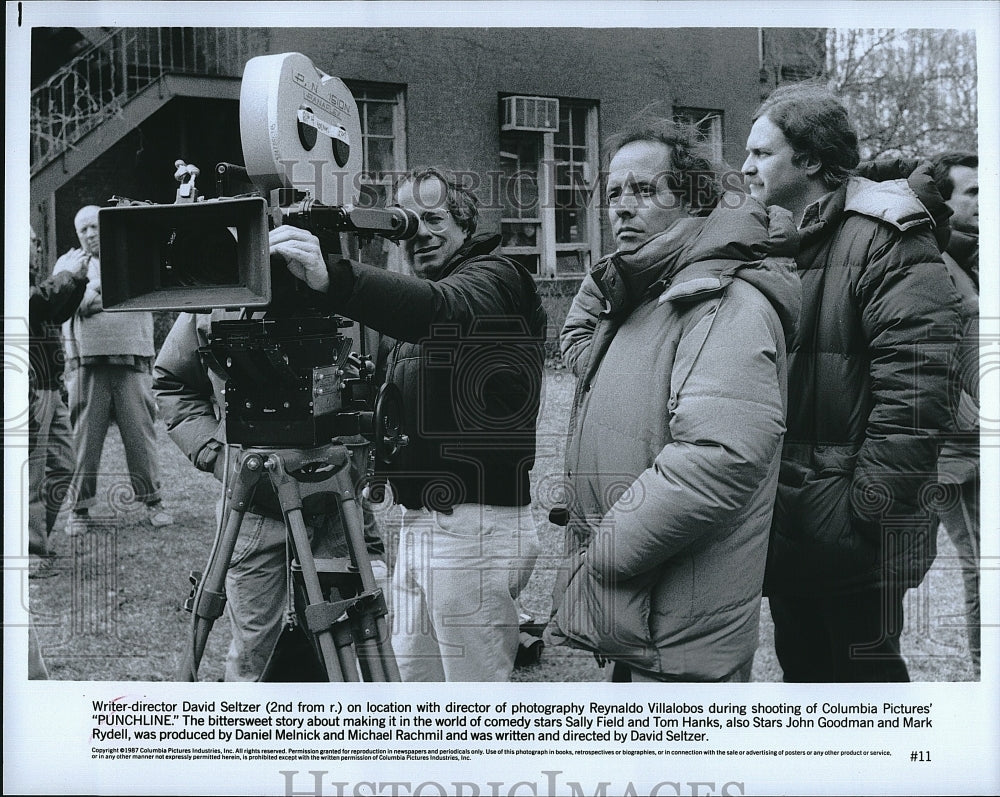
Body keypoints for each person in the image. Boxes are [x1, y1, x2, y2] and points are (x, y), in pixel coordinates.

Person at [546, 117, 801, 682]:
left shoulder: (723, 301)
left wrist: (606, 553)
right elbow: (595, 368)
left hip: (681, 626)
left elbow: (720, 456)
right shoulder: (649, 296)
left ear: (693, 201)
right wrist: (607, 284)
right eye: (613, 192)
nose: (622, 207)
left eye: (644, 189)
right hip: (644, 612)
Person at [273, 166, 547, 681]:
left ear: (467, 225)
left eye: (435, 218)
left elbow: (441, 311)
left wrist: (334, 277)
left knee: (474, 701)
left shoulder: (496, 279)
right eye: (405, 221)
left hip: (476, 522)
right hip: (420, 523)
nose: (419, 232)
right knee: (412, 690)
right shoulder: (419, 304)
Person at [741, 83, 962, 682]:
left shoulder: (888, 236)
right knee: (806, 680)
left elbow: (917, 389)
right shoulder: (780, 239)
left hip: (851, 523)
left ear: (810, 160)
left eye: (762, 153)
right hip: (795, 517)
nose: (746, 166)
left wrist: (868, 509)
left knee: (865, 693)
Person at [153, 308, 388, 681]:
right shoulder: (220, 302)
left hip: (339, 509)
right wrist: (216, 455)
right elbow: (172, 381)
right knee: (254, 660)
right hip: (257, 513)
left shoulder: (356, 296)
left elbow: (390, 384)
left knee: (345, 658)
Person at [54, 205, 173, 534]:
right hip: (87, 364)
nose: (90, 235)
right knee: (84, 441)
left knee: (141, 435)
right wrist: (100, 292)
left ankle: (154, 501)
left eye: (95, 227)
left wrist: (92, 291)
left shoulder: (133, 257)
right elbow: (71, 304)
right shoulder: (70, 264)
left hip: (131, 360)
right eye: (83, 230)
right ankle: (79, 510)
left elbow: (143, 292)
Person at [929, 151, 980, 671]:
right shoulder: (935, 263)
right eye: (972, 192)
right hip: (963, 452)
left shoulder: (972, 259)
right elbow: (927, 355)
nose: (985, 202)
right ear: (943, 201)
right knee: (983, 568)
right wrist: (972, 418)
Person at [27, 225, 88, 576]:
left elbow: (55, 312)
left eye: (37, 242)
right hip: (29, 386)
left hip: (51, 385)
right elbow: (35, 303)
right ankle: (30, 551)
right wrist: (66, 275)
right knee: (32, 474)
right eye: (32, 242)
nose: (37, 247)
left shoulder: (36, 278)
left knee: (63, 465)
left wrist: (75, 282)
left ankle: (37, 543)